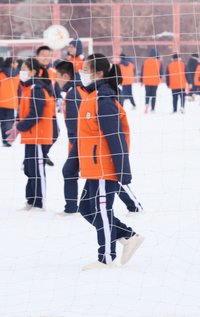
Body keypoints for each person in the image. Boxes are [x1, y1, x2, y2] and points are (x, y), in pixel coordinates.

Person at [75, 54, 145, 270]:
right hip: (92, 167)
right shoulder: (91, 96)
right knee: (86, 209)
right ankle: (127, 235)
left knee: (103, 210)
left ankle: (106, 258)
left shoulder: (104, 100)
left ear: (99, 74)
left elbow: (116, 138)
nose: (82, 72)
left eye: (86, 68)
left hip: (105, 167)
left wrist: (123, 170)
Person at [6, 58, 55, 211]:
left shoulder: (37, 88)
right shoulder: (27, 87)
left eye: (24, 68)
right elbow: (25, 111)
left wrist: (18, 127)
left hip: (39, 135)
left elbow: (36, 114)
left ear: (33, 72)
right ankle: (31, 200)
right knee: (30, 169)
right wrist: (17, 123)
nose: (21, 71)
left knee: (38, 170)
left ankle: (39, 203)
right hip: (30, 135)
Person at [56, 60, 86, 216]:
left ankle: (71, 209)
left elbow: (75, 123)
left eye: (57, 76)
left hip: (80, 142)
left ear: (66, 75)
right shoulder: (75, 89)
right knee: (71, 172)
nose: (56, 80)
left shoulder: (73, 92)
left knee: (70, 171)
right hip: (81, 140)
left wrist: (75, 146)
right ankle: (72, 208)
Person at [0, 57, 19, 147]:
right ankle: (8, 140)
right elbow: (20, 90)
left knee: (3, 121)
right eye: (15, 63)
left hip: (1, 101)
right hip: (12, 102)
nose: (17, 65)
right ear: (11, 64)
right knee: (9, 121)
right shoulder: (18, 75)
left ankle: (5, 139)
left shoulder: (1, 74)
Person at [141, 48, 162, 113]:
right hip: (155, 81)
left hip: (146, 81)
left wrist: (141, 80)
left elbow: (142, 71)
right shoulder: (158, 62)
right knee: (154, 95)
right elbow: (160, 72)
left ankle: (147, 104)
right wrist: (159, 78)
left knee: (147, 94)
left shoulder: (145, 61)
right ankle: (153, 108)